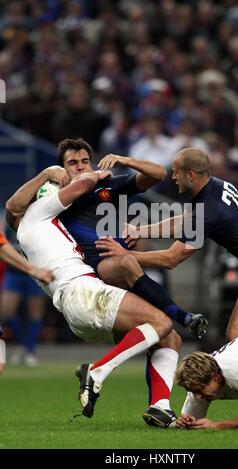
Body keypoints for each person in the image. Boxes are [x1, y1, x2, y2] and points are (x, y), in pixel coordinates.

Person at [6, 139, 207, 427]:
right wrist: (61, 173)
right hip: (84, 289)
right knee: (161, 321)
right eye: (71, 164)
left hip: (78, 306)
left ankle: (160, 406)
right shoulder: (41, 212)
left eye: (84, 162)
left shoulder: (40, 226)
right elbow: (17, 204)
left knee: (168, 337)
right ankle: (98, 371)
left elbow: (14, 208)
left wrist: (132, 230)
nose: (79, 167)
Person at [95, 146, 238, 425]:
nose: (172, 177)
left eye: (176, 172)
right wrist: (141, 230)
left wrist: (125, 255)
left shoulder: (209, 209)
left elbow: (171, 258)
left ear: (190, 174)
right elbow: (186, 222)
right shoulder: (216, 188)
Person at [0, 231, 53, 374]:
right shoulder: (5, 214)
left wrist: (35, 269)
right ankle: (23, 344)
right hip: (13, 272)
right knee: (6, 311)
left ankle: (30, 351)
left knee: (35, 314)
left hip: (33, 271)